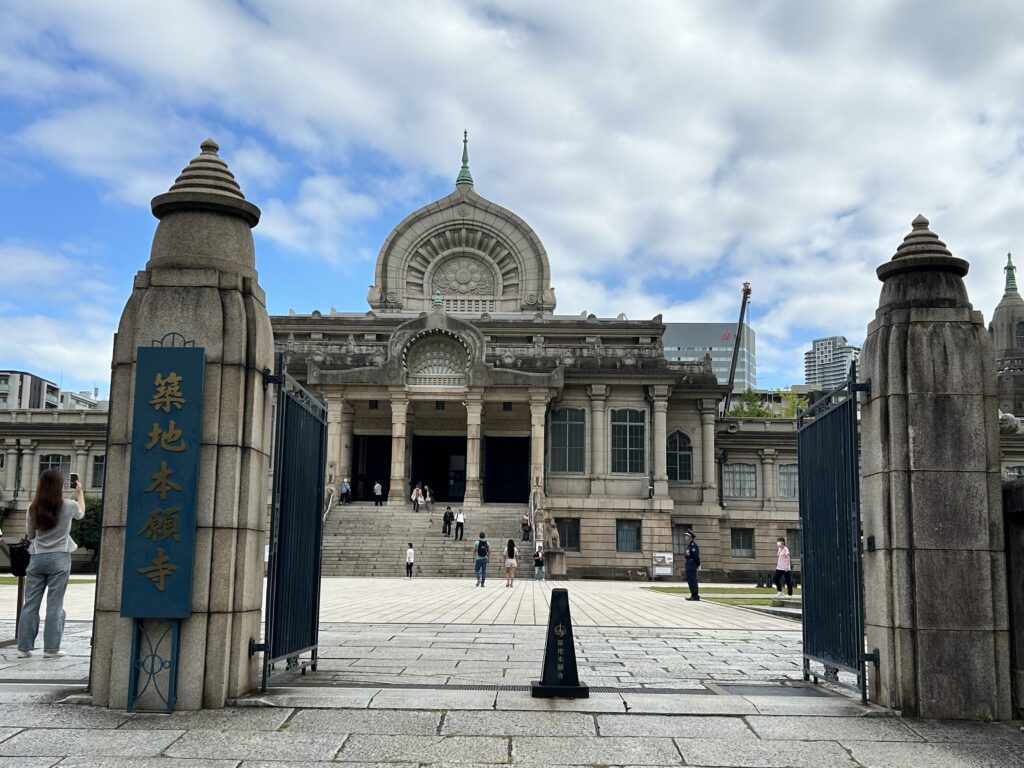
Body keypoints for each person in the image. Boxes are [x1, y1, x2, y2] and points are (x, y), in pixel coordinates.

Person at [18, 469, 84, 658]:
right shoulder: (69, 505)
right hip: (60, 558)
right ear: (60, 486)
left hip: (37, 558)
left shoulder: (32, 508)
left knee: (30, 604)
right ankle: (51, 649)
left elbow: (30, 535)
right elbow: (81, 514)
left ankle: (24, 648)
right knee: (55, 605)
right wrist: (79, 492)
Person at [683, 529, 701, 602]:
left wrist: (697, 564)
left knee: (692, 580)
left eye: (687, 536)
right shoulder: (689, 545)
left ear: (690, 537)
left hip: (692, 564)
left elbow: (696, 556)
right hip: (688, 564)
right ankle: (693, 594)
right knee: (690, 580)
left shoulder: (694, 545)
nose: (685, 537)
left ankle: (695, 595)